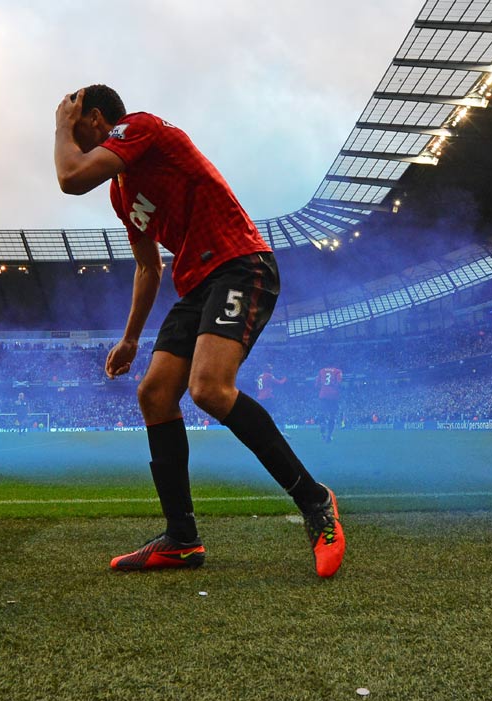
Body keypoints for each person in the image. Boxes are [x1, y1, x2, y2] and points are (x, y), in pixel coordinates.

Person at [55, 84, 344, 577]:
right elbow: (148, 267)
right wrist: (130, 338)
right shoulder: (121, 192)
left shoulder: (140, 127)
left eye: (77, 124)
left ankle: (317, 503)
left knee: (208, 388)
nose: (71, 134)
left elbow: (69, 179)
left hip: (239, 263)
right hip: (198, 284)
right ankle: (182, 539)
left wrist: (60, 125)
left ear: (98, 120)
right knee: (154, 393)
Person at [316, 364, 343, 443]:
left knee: (322, 413)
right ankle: (329, 436)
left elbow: (317, 384)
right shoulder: (338, 371)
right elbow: (339, 383)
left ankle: (322, 424)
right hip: (333, 396)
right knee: (332, 416)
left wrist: (323, 387)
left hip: (323, 395)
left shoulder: (321, 370)